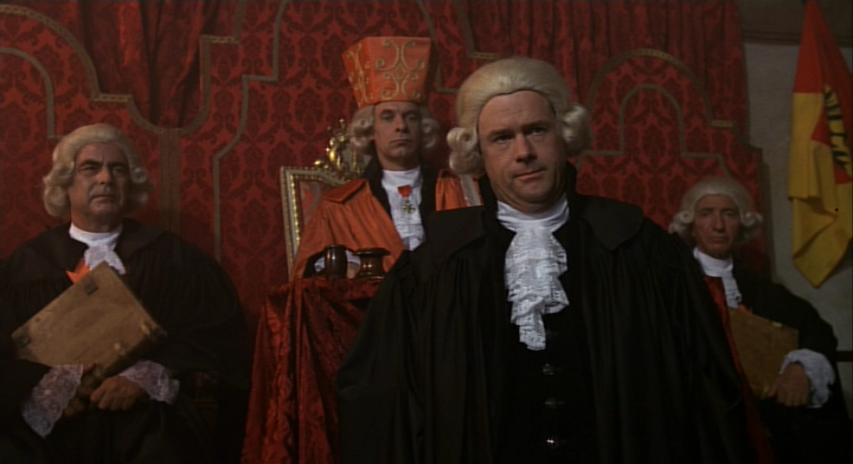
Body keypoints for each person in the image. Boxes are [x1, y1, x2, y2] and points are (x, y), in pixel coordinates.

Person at [336, 57, 751, 463]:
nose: (524, 152)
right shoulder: (436, 268)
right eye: (502, 138)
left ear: (564, 135)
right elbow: (380, 407)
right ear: (478, 153)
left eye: (536, 130)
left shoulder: (640, 249)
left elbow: (708, 392)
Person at [0, 123, 249, 464]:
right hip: (54, 426)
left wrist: (146, 376)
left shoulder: (173, 258)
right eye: (90, 168)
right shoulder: (25, 266)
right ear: (66, 183)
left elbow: (216, 337)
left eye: (117, 169)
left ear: (131, 183)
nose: (105, 179)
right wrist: (43, 387)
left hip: (143, 419)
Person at [671, 177, 852, 463]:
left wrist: (800, 368)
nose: (718, 225)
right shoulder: (670, 285)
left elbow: (816, 330)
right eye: (706, 214)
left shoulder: (760, 287)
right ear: (691, 225)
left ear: (741, 224)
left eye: (728, 214)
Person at [291, 36, 477, 279]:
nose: (401, 126)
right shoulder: (339, 208)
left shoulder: (461, 193)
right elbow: (306, 278)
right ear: (370, 130)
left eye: (410, 117)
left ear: (423, 128)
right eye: (388, 117)